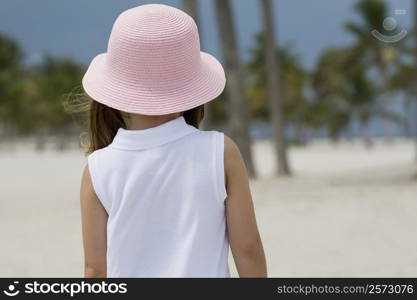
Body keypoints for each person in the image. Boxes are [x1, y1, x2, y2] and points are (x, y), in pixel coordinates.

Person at [79, 4, 266, 278]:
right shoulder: (220, 152)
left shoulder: (98, 167)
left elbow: (95, 270)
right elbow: (247, 248)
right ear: (191, 85)